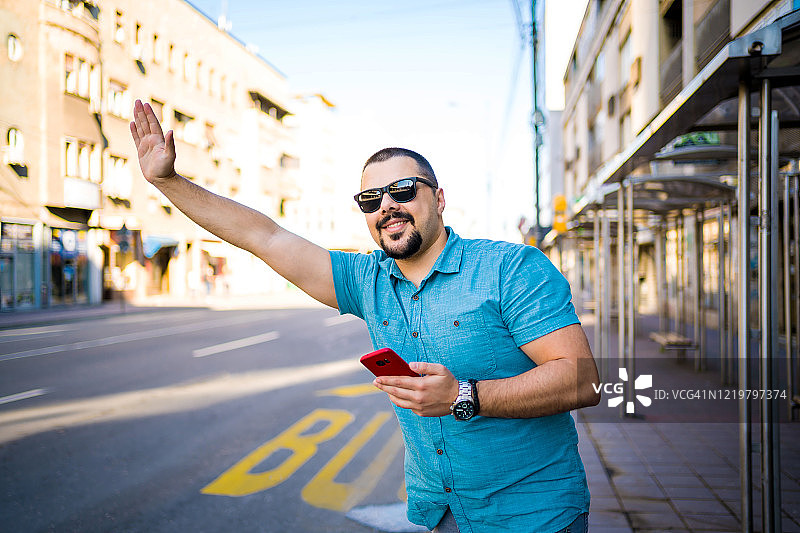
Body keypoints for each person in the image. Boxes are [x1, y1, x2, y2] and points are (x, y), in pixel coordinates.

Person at [130, 99, 601, 533]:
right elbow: (264, 236)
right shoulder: (365, 279)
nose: (388, 207)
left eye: (402, 190)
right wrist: (168, 181)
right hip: (443, 513)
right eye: (371, 200)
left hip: (534, 514)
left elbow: (581, 382)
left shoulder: (510, 268)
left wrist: (461, 395)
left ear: (438, 198)